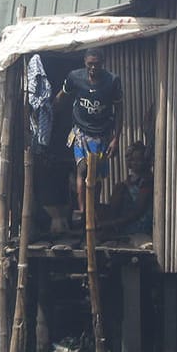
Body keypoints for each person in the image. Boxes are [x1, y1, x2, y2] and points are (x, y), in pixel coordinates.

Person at [54, 48, 122, 223]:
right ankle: (83, 211)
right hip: (81, 132)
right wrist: (51, 108)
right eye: (90, 64)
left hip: (102, 134)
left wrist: (116, 139)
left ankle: (93, 208)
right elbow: (63, 95)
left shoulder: (112, 81)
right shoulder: (75, 77)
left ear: (103, 63)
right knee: (83, 169)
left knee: (96, 174)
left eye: (97, 64)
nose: (93, 68)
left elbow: (119, 111)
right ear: (85, 63)